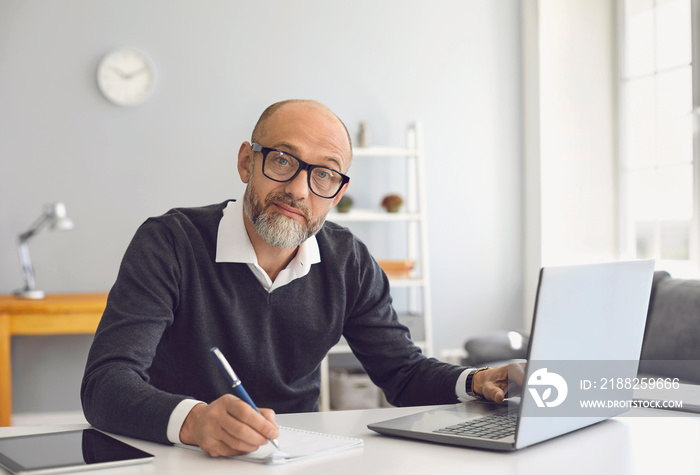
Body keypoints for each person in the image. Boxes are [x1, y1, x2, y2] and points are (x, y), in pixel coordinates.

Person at [81, 99, 524, 457]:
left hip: (296, 459)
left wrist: (476, 380)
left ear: (338, 192)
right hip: (179, 460)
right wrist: (195, 422)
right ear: (245, 163)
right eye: (282, 160)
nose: (298, 189)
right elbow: (106, 384)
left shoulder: (348, 260)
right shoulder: (170, 242)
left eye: (324, 174)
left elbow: (403, 373)